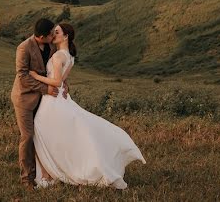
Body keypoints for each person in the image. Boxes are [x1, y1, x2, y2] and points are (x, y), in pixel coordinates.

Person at [30, 23, 145, 189]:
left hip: (52, 100)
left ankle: (50, 174)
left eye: (56, 32)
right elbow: (63, 80)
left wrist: (35, 76)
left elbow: (56, 82)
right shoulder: (69, 56)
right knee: (52, 134)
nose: (53, 35)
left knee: (39, 129)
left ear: (65, 36)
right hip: (61, 98)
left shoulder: (58, 57)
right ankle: (50, 172)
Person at [10, 18, 68, 190]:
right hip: (25, 99)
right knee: (27, 137)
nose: (53, 36)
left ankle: (45, 172)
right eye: (51, 34)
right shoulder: (24, 48)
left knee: (43, 135)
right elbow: (23, 76)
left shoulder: (50, 46)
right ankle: (27, 178)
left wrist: (63, 82)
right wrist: (45, 89)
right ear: (42, 36)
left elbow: (54, 70)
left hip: (44, 100)